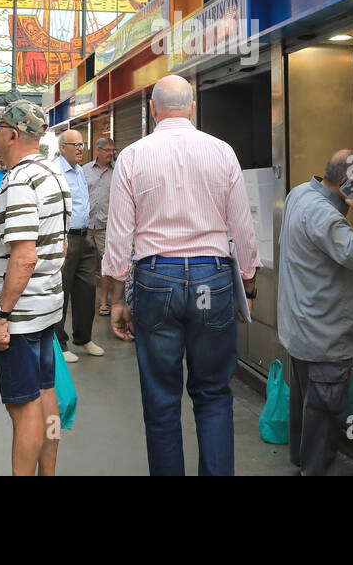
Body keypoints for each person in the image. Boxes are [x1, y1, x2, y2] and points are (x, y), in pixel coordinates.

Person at [101, 75, 260, 476]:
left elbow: (120, 233)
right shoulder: (222, 152)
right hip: (214, 276)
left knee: (161, 399)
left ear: (153, 109)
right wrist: (248, 284)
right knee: (213, 394)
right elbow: (242, 225)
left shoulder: (132, 156)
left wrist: (116, 298)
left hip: (156, 278)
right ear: (191, 107)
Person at [0, 101, 71, 475]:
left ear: (12, 135)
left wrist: (2, 314)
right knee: (46, 397)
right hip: (45, 311)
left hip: (19, 319)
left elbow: (25, 256)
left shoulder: (18, 181)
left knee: (24, 409)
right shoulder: (53, 176)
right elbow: (60, 245)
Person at [276, 149, 353, 476]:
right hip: (324, 338)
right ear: (348, 184)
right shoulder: (324, 215)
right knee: (324, 419)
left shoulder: (298, 194)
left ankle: (303, 463)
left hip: (300, 329)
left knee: (308, 411)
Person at [56, 129, 103, 362]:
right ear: (62, 147)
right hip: (65, 238)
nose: (80, 149)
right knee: (61, 290)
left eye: (82, 145)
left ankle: (84, 338)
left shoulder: (79, 172)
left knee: (87, 289)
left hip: (85, 236)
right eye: (75, 145)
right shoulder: (55, 171)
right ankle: (60, 344)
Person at [83, 138, 116, 315]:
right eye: (107, 150)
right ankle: (84, 299)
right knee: (86, 265)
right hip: (86, 225)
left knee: (106, 265)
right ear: (98, 150)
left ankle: (104, 302)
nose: (111, 153)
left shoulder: (118, 170)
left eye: (113, 149)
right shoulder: (85, 170)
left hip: (106, 226)